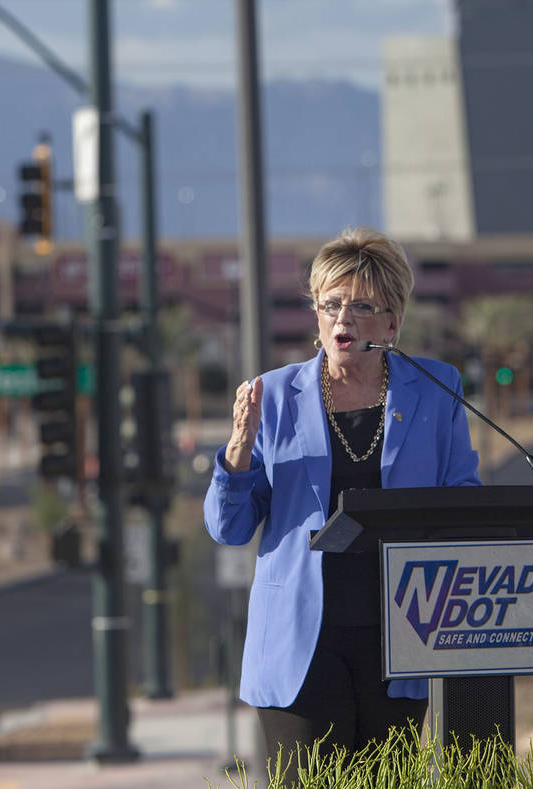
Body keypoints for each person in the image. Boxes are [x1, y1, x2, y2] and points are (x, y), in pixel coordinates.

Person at [203, 226, 481, 761]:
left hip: (401, 633)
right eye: (330, 304)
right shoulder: (277, 395)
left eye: (361, 306)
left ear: (392, 323)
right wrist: (238, 447)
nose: (343, 318)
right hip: (300, 641)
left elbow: (462, 496)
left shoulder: (436, 387)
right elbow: (229, 527)